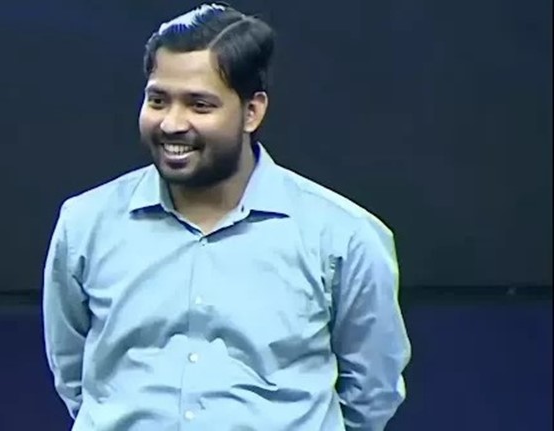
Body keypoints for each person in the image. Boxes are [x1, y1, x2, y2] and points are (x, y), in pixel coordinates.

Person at [42, 3, 411, 430]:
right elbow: (73, 375)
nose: (172, 123)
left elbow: (372, 392)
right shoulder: (86, 223)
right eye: (158, 100)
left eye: (199, 105)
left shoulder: (343, 236)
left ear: (252, 112)